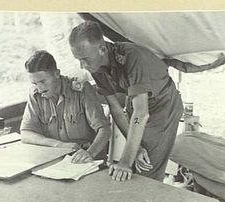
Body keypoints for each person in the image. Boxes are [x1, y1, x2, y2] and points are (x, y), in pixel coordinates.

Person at [69, 21, 183, 181]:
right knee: (136, 155)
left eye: (85, 59)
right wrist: (134, 151)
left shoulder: (133, 56)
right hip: (136, 102)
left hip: (163, 105)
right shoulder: (96, 65)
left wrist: (124, 161)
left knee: (147, 168)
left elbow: (141, 114)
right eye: (78, 59)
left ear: (102, 49)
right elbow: (115, 109)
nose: (82, 66)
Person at [20, 50, 111, 163]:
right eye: (34, 83)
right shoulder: (35, 94)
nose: (40, 89)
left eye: (43, 81)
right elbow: (26, 133)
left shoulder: (81, 90)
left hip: (86, 159)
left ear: (57, 73)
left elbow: (104, 129)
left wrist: (90, 153)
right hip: (55, 159)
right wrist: (58, 145)